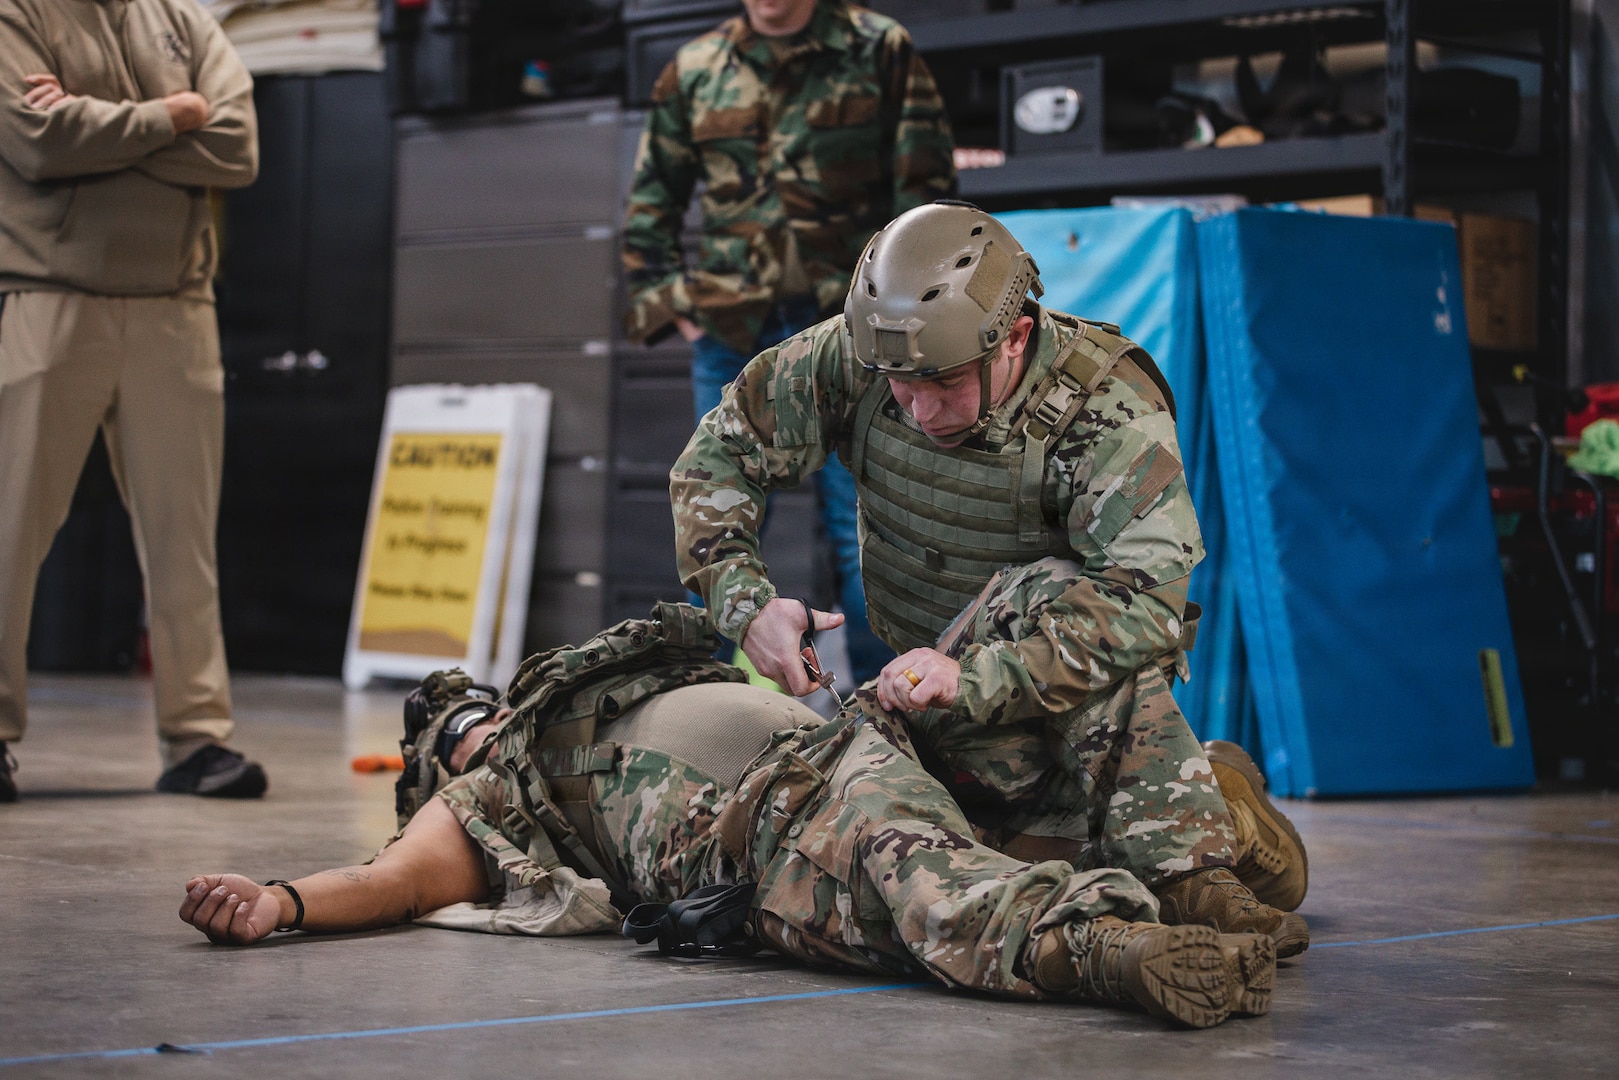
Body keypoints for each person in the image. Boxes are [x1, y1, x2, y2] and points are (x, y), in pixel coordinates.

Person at [668, 201, 1311, 952]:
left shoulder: (1102, 407)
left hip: (1066, 710)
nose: (914, 407)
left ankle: (1192, 863)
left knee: (1046, 599)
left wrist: (973, 678)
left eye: (941, 384)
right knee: (929, 875)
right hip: (937, 702)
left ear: (1013, 337)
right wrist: (747, 605)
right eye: (897, 384)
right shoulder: (865, 353)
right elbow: (720, 455)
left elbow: (1142, 603)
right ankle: (1198, 802)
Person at [179, 650, 1277, 1030]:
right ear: (439, 764)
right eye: (456, 731)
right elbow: (396, 883)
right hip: (767, 838)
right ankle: (1117, 945)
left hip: (852, 747)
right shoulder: (491, 801)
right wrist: (279, 901)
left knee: (954, 867)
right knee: (933, 902)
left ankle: (1189, 857)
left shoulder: (600, 675)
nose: (479, 730)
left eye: (477, 711)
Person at [620, 0, 956, 684]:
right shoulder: (694, 68)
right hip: (731, 329)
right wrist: (672, 305)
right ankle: (705, 706)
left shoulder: (878, 48)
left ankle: (886, 713)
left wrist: (914, 312)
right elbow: (651, 199)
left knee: (871, 528)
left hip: (854, 332)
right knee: (715, 521)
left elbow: (926, 196)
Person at [0, 0, 264, 802]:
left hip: (177, 306)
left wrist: (107, 131)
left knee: (184, 544)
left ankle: (197, 740)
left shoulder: (184, 20)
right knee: (9, 531)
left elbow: (236, 148)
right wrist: (171, 116)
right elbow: (38, 142)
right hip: (49, 295)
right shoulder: (18, 13)